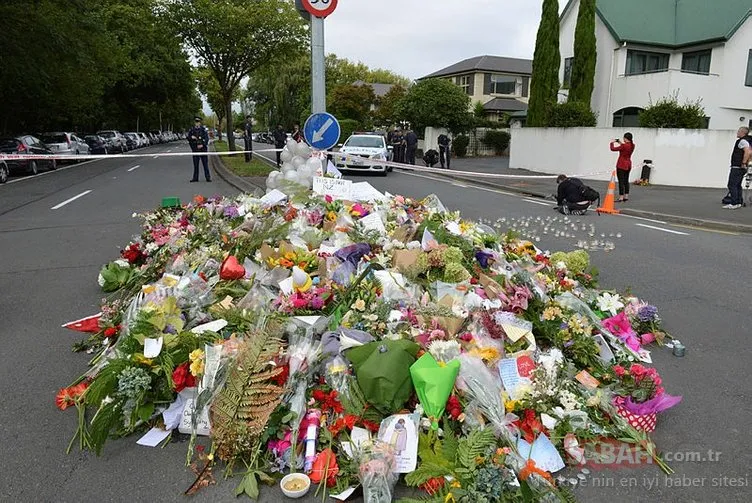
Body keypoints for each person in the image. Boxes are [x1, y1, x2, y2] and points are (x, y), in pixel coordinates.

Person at [723, 127, 751, 209]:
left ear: (743, 132)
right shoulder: (747, 140)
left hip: (737, 166)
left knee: (731, 185)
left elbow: (748, 152)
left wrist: (743, 162)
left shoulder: (742, 141)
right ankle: (738, 202)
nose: (737, 133)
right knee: (737, 185)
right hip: (741, 167)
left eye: (738, 131)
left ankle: (734, 203)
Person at [610, 132, 635, 202]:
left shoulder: (624, 146)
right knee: (626, 180)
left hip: (621, 165)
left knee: (621, 181)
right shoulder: (632, 145)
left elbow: (612, 149)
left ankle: (621, 197)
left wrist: (612, 142)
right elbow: (624, 146)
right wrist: (620, 142)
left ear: (625, 138)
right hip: (628, 164)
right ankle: (626, 196)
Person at [188, 116, 211, 182]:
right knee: (195, 164)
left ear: (200, 123)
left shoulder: (203, 130)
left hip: (203, 149)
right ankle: (195, 178)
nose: (197, 123)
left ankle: (208, 177)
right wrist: (192, 138)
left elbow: (206, 139)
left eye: (198, 122)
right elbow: (189, 139)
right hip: (195, 150)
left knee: (205, 164)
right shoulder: (192, 130)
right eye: (196, 122)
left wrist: (202, 145)